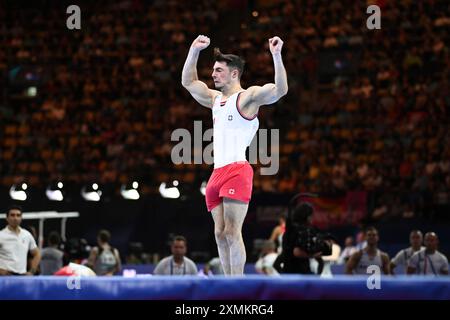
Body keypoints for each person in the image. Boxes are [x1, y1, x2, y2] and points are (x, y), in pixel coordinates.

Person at [181, 35, 288, 275]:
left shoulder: (248, 98)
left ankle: (238, 285)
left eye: (219, 70)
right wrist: (193, 50)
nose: (214, 74)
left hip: (237, 169)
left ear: (234, 74)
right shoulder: (215, 99)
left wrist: (277, 55)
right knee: (219, 233)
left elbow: (280, 90)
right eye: (213, 70)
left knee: (231, 231)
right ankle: (227, 283)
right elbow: (189, 82)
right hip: (216, 172)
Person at [0, 205, 41, 275]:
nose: (15, 218)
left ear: (21, 218)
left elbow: (37, 254)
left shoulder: (27, 235)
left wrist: (32, 271)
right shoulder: (1, 235)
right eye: (12, 215)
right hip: (4, 277)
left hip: (22, 276)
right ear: (7, 218)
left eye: (18, 215)